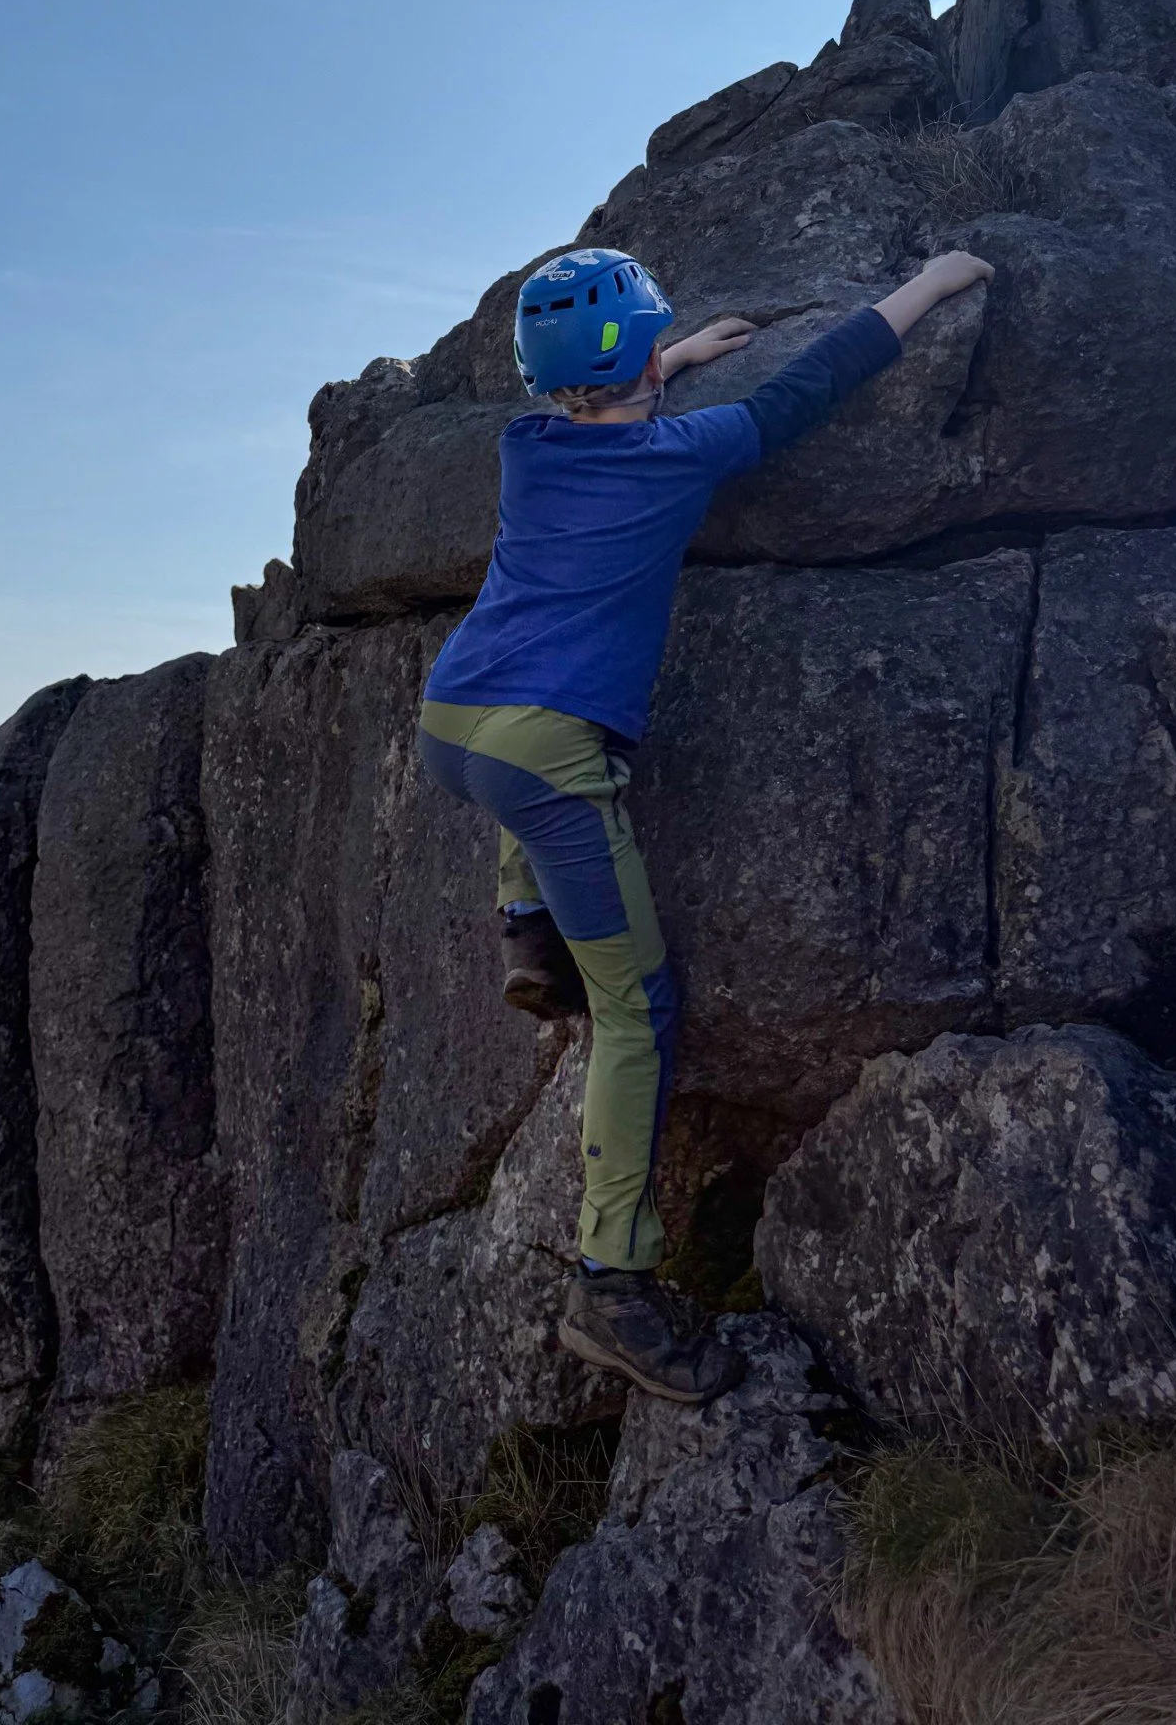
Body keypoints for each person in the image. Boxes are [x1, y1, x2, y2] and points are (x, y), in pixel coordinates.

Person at [416, 242, 993, 1403]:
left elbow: (601, 410)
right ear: (639, 361)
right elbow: (805, 389)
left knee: (519, 793)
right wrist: (930, 286)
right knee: (639, 1010)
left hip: (450, 724)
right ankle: (610, 1287)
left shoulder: (526, 448)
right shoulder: (680, 455)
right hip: (542, 755)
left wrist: (663, 357)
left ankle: (523, 918)